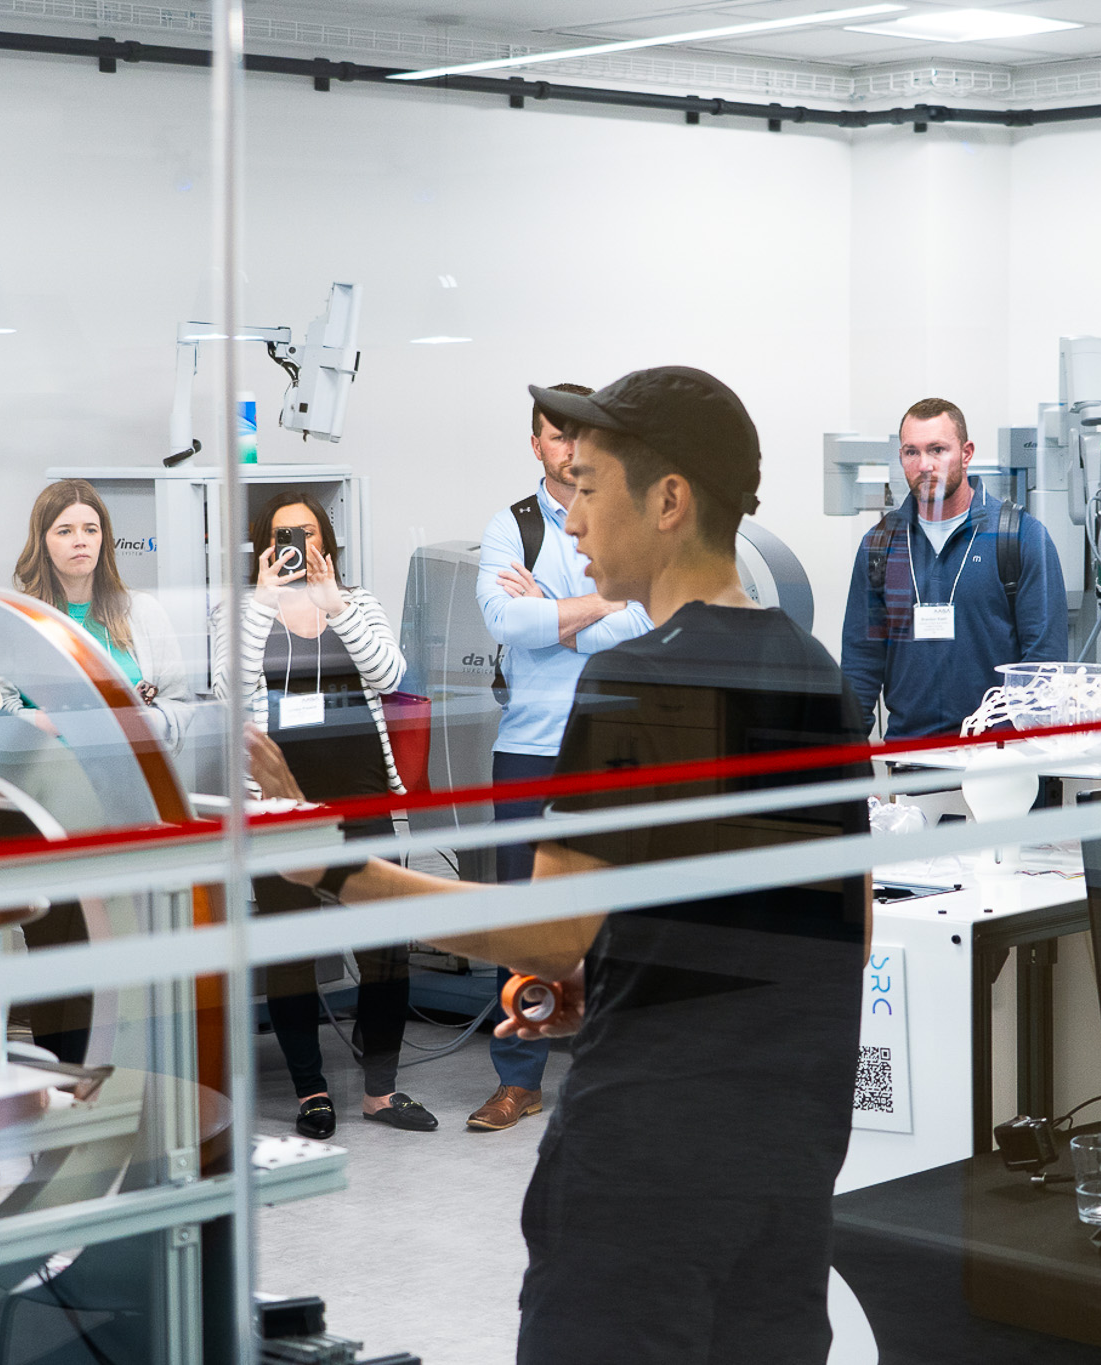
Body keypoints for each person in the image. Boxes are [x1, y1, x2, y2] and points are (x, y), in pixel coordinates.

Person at [278, 367, 871, 1364]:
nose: (574, 519)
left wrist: (337, 872)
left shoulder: (630, 675)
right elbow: (833, 928)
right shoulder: (810, 671)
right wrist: (618, 981)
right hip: (786, 1153)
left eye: (589, 489)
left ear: (669, 500)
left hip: (644, 1161)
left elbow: (545, 933)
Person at [222, 491, 437, 1138]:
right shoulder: (241, 610)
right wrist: (264, 602)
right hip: (281, 803)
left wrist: (334, 602)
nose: (297, 545)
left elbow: (389, 671)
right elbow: (227, 683)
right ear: (264, 543)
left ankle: (380, 1088)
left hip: (363, 793)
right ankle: (311, 1089)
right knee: (290, 950)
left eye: (308, 534)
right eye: (284, 534)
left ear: (328, 544)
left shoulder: (358, 601)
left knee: (385, 947)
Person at [470, 383, 651, 1133]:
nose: (568, 448)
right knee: (526, 922)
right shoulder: (510, 525)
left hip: (616, 746)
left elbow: (653, 611)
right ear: (536, 443)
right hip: (531, 749)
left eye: (581, 435)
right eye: (555, 435)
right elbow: (505, 617)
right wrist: (598, 607)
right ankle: (520, 1079)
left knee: (621, 914)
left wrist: (565, 619)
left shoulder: (632, 516)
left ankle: (614, 1070)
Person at [839, 397, 1065, 739]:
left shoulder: (1019, 537)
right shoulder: (880, 544)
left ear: (966, 452)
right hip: (909, 756)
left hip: (998, 757)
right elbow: (861, 664)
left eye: (937, 450)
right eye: (912, 452)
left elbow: (1044, 663)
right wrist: (844, 756)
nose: (925, 465)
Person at [3, 479, 195, 753]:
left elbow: (180, 706)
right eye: (65, 531)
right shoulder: (19, 618)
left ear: (103, 538)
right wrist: (56, 722)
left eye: (90, 530)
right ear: (43, 542)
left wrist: (141, 721)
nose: (80, 541)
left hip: (132, 776)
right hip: (47, 778)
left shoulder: (142, 610)